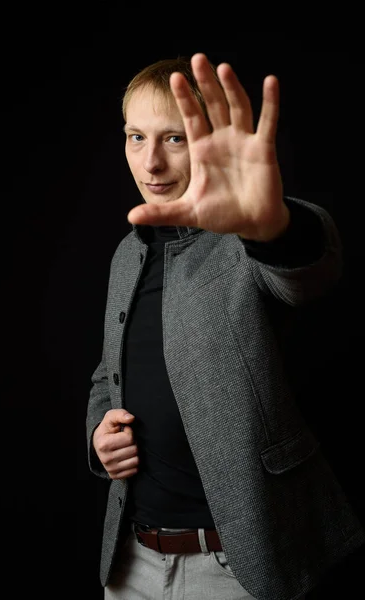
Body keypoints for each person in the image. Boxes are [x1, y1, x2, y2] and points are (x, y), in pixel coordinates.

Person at [85, 53, 365, 600]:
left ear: (210, 141)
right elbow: (106, 374)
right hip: (131, 563)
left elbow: (308, 274)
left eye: (174, 139)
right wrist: (99, 437)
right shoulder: (126, 254)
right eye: (136, 137)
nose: (150, 163)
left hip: (241, 564)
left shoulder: (249, 235)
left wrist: (275, 229)